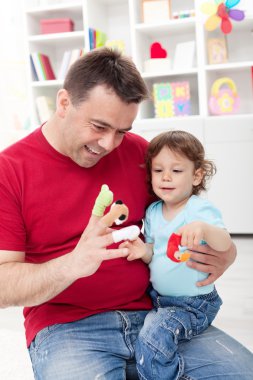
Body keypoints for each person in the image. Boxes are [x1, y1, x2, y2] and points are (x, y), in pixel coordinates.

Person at [0, 47, 252, 380]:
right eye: (99, 126)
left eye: (121, 130)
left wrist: (226, 253)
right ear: (63, 103)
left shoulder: (139, 153)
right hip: (68, 330)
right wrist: (73, 263)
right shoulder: (10, 171)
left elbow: (184, 215)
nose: (109, 144)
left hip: (156, 315)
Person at [120, 130, 234, 379]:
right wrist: (143, 251)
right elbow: (156, 253)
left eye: (177, 171)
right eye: (158, 170)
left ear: (196, 176)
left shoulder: (198, 209)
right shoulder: (153, 212)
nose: (166, 177)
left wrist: (204, 229)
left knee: (152, 342)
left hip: (192, 304)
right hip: (159, 299)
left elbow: (224, 242)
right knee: (149, 339)